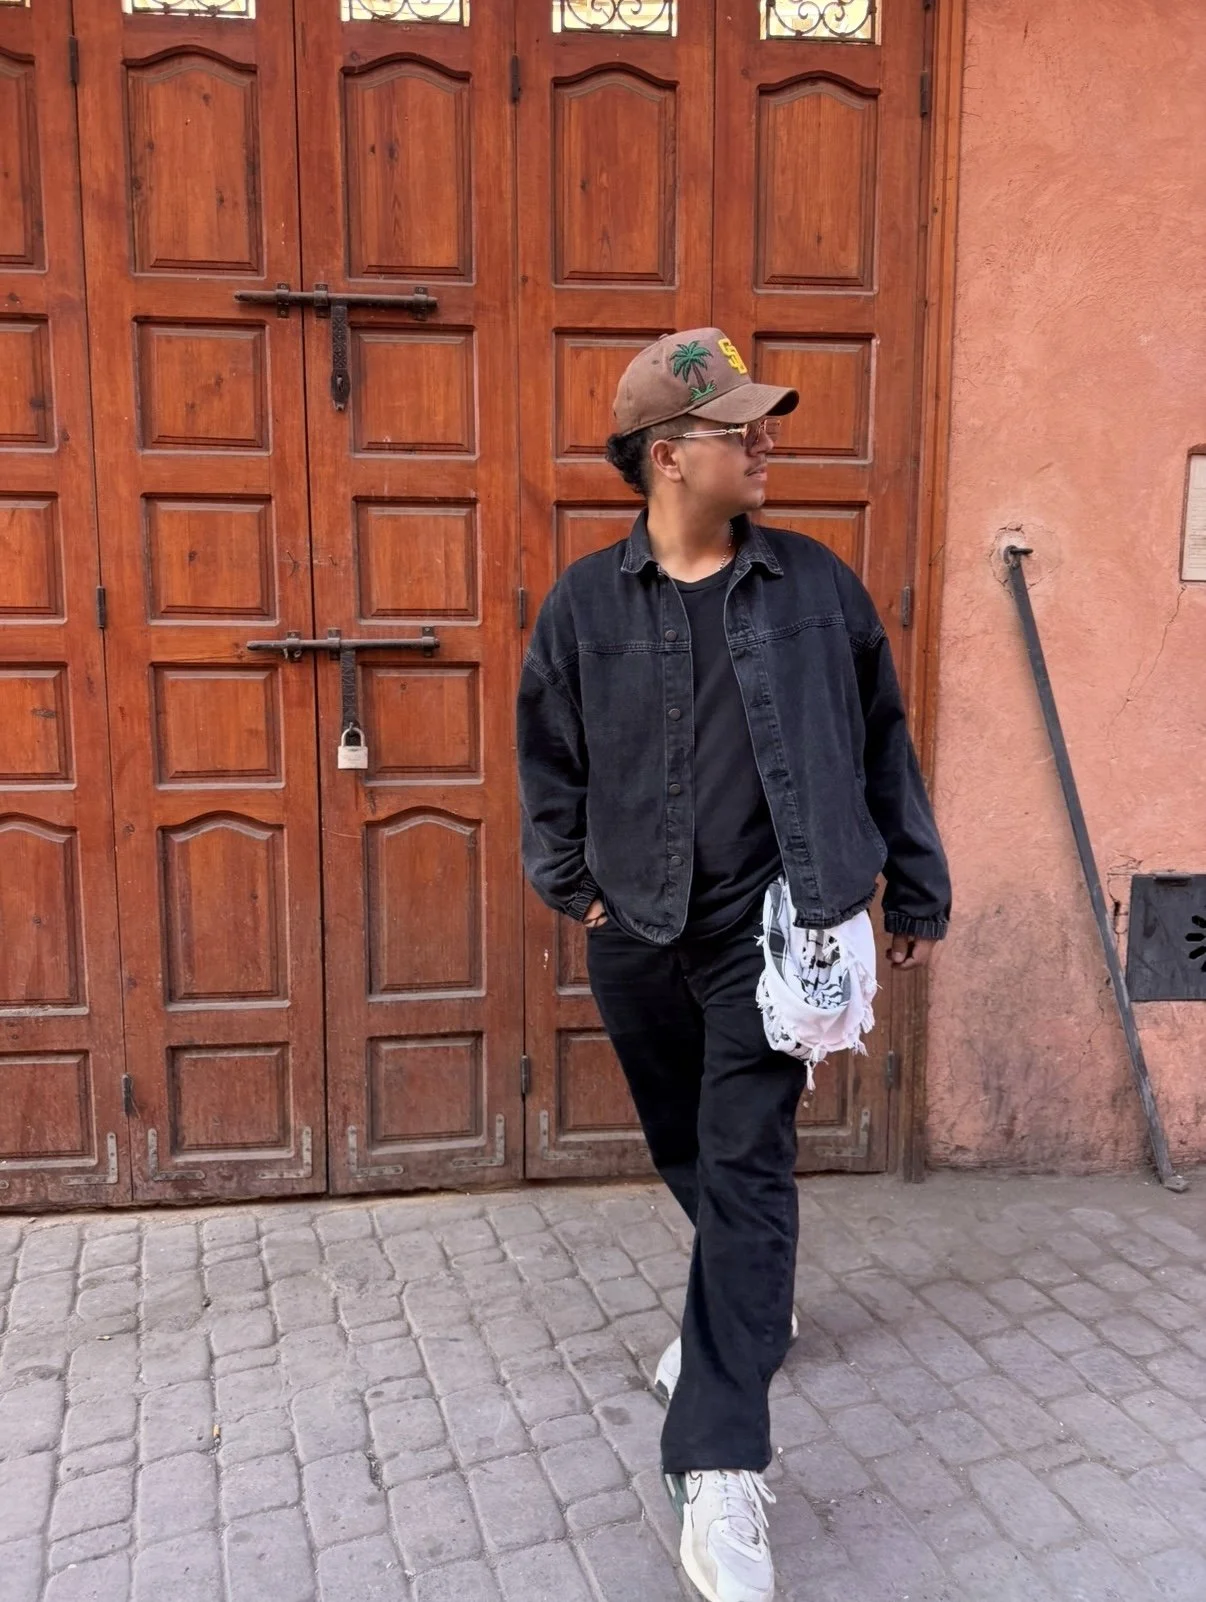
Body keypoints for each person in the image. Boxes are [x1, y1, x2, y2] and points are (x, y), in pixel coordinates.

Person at [517, 328, 951, 1602]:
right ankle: (751, 1304)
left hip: (776, 933)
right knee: (689, 1152)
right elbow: (547, 757)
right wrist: (574, 889)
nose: (767, 443)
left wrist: (913, 880)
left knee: (749, 1159)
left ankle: (717, 1466)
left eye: (764, 423)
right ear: (668, 457)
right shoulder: (585, 604)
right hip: (639, 929)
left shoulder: (814, 585)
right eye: (739, 428)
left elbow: (883, 740)